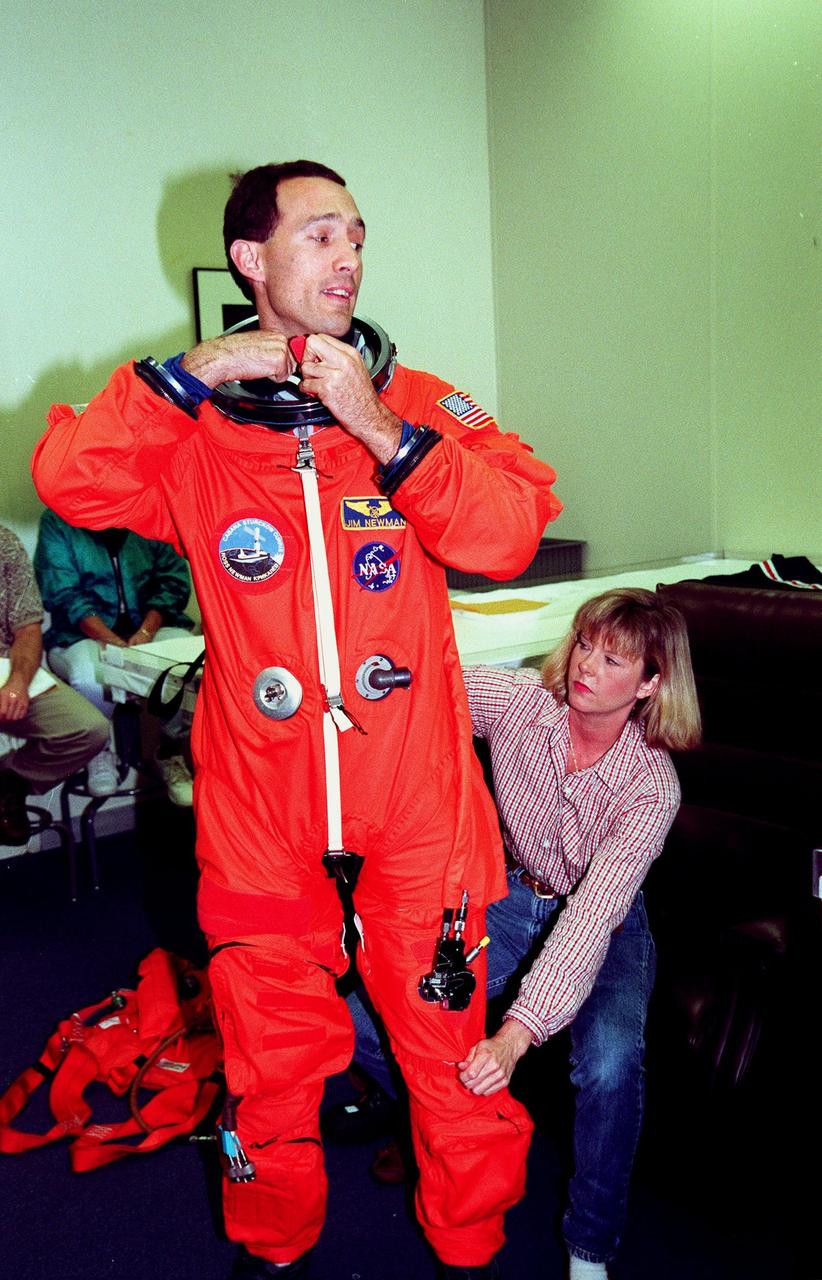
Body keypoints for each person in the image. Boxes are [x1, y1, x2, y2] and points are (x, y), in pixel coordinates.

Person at [31, 160, 563, 1279]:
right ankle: (275, 1252)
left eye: (357, 234)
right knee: (269, 1075)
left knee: (450, 1064)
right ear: (250, 260)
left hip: (416, 807)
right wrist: (185, 376)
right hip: (261, 812)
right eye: (319, 235)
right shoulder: (194, 433)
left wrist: (376, 425)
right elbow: (73, 481)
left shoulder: (420, 403)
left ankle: (469, 1249)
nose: (349, 255)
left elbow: (507, 529)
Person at [339, 587, 701, 1280]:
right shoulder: (522, 703)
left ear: (652, 684)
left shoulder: (653, 788)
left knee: (610, 1065)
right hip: (508, 894)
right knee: (365, 1021)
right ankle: (456, 1128)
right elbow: (423, 682)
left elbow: (591, 919)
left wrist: (515, 1035)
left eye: (614, 659)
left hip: (609, 922)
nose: (586, 666)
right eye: (585, 644)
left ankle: (590, 1246)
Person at [33, 509, 196, 803]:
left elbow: (172, 578)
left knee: (186, 664)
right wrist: (112, 641)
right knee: (89, 677)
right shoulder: (57, 521)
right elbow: (64, 593)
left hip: (151, 628)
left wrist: (145, 633)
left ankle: (169, 751)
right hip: (81, 635)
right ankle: (98, 750)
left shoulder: (150, 509)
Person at [0, 524, 110, 845]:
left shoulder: (4, 541)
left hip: (6, 665)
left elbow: (28, 629)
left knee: (88, 729)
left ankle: (12, 780)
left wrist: (18, 683)